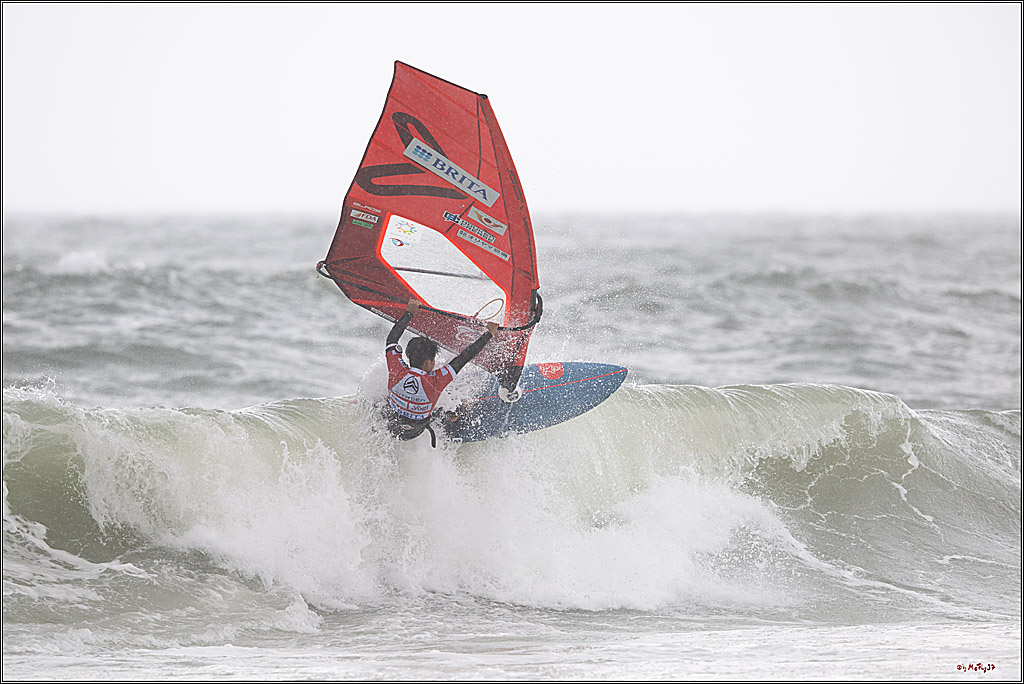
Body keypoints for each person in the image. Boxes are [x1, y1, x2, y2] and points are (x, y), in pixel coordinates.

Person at [383, 298, 498, 444]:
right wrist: (489, 334)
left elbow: (391, 340)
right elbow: (464, 357)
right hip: (416, 431)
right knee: (458, 408)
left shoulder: (397, 370)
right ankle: (453, 419)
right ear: (427, 362)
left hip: (391, 424)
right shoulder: (435, 381)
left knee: (390, 402)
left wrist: (409, 313)